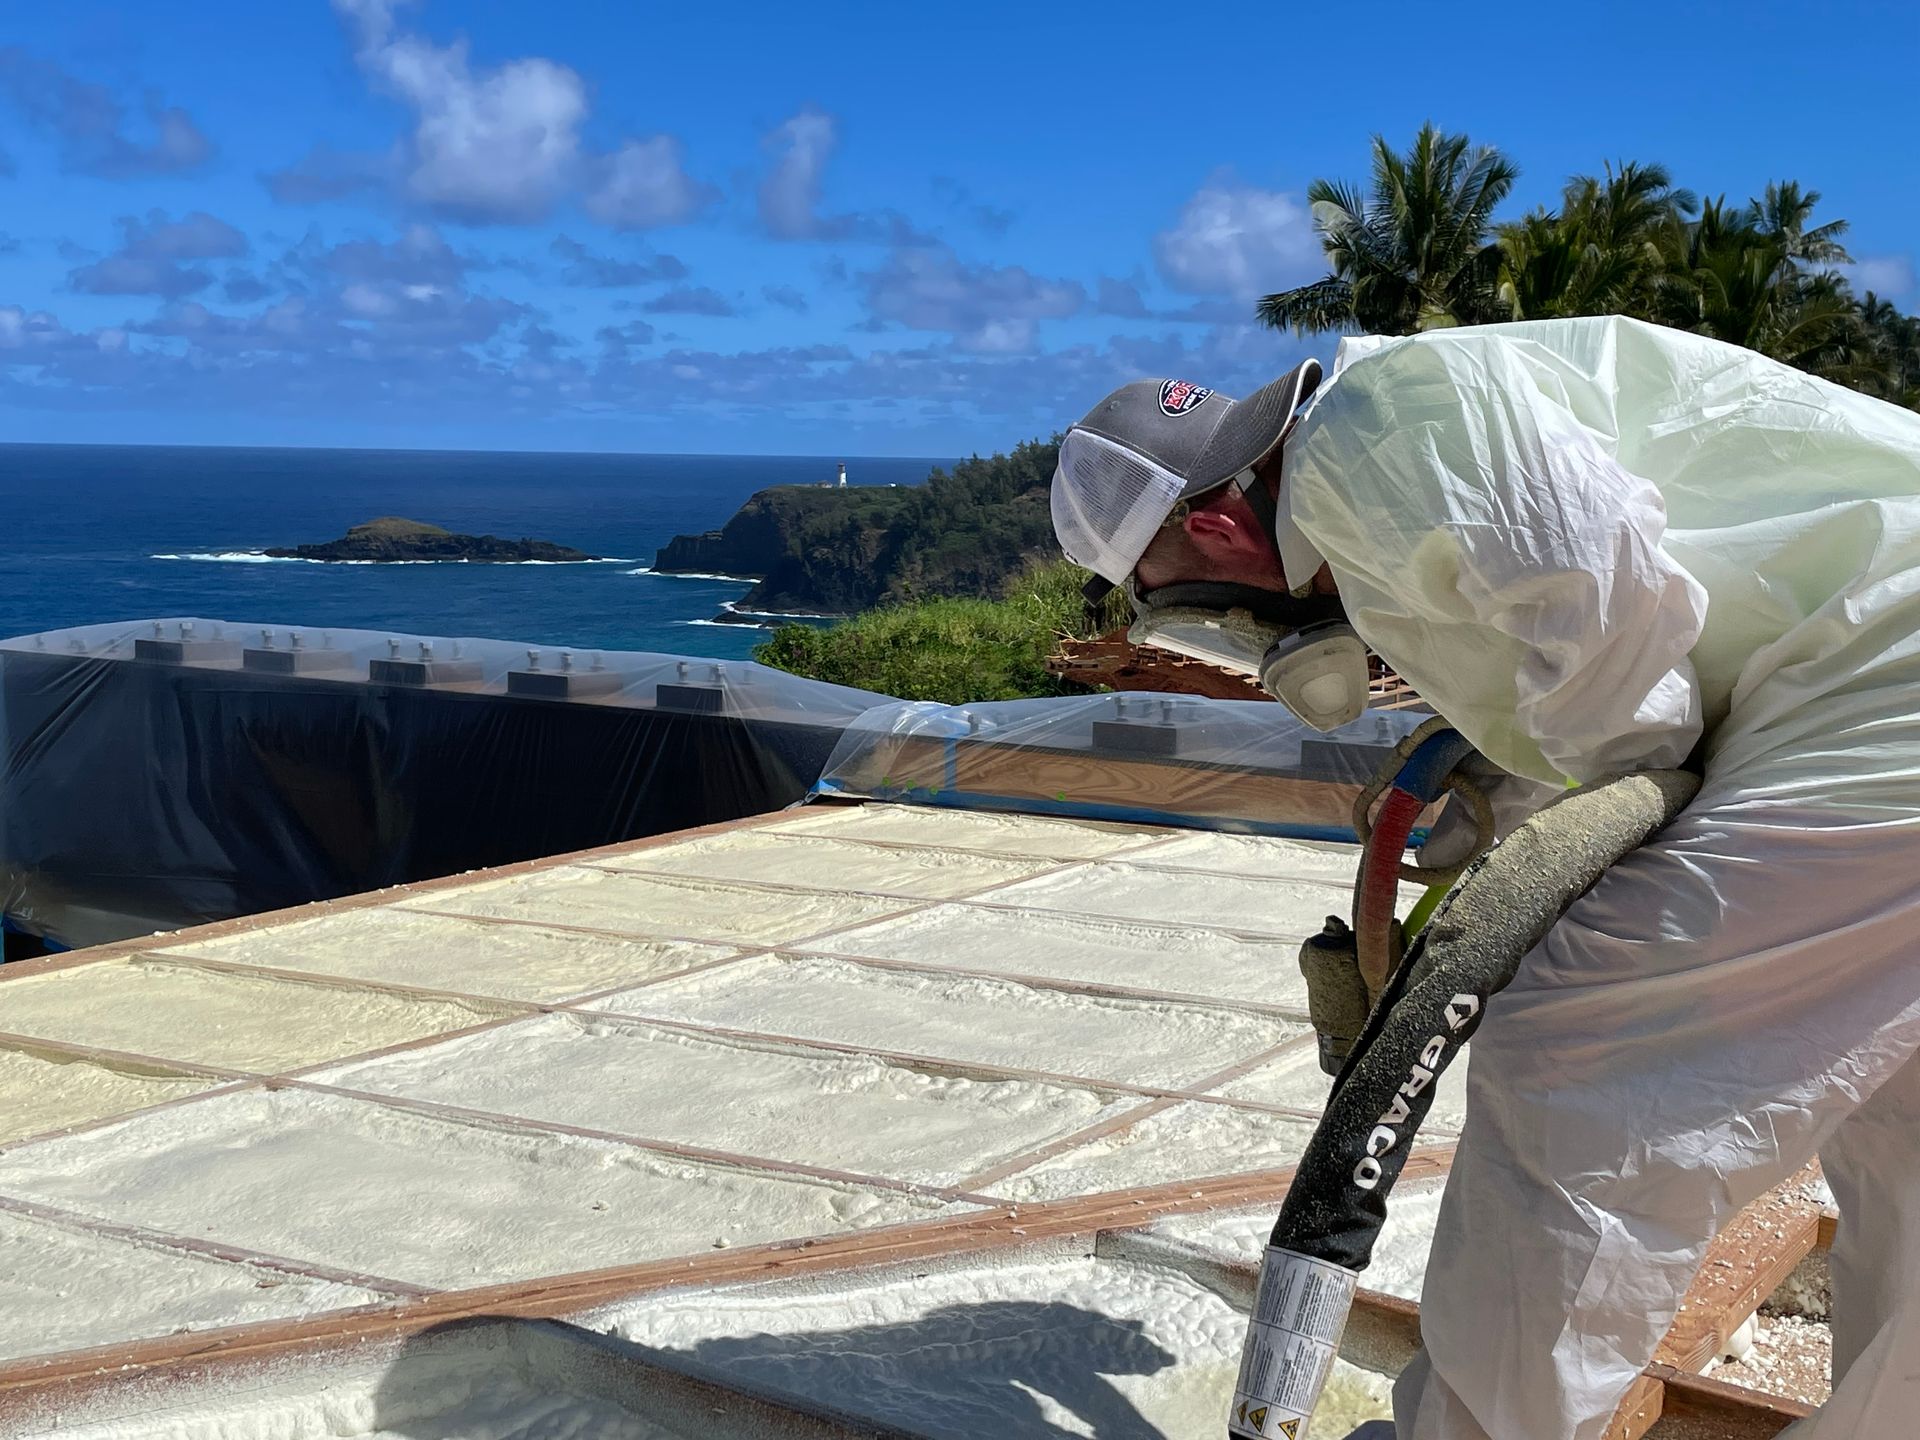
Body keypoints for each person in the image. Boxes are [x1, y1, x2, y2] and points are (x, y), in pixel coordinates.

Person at [1049, 314, 1920, 1440]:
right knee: (1897, 1115)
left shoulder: (1376, 426)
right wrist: (1507, 806)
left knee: (1584, 1055)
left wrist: (1553, 871)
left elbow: (1620, 649)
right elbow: (1585, 654)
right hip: (1863, 674)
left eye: (1171, 593)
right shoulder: (1383, 461)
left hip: (1879, 689)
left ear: (1211, 520)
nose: (1226, 634)